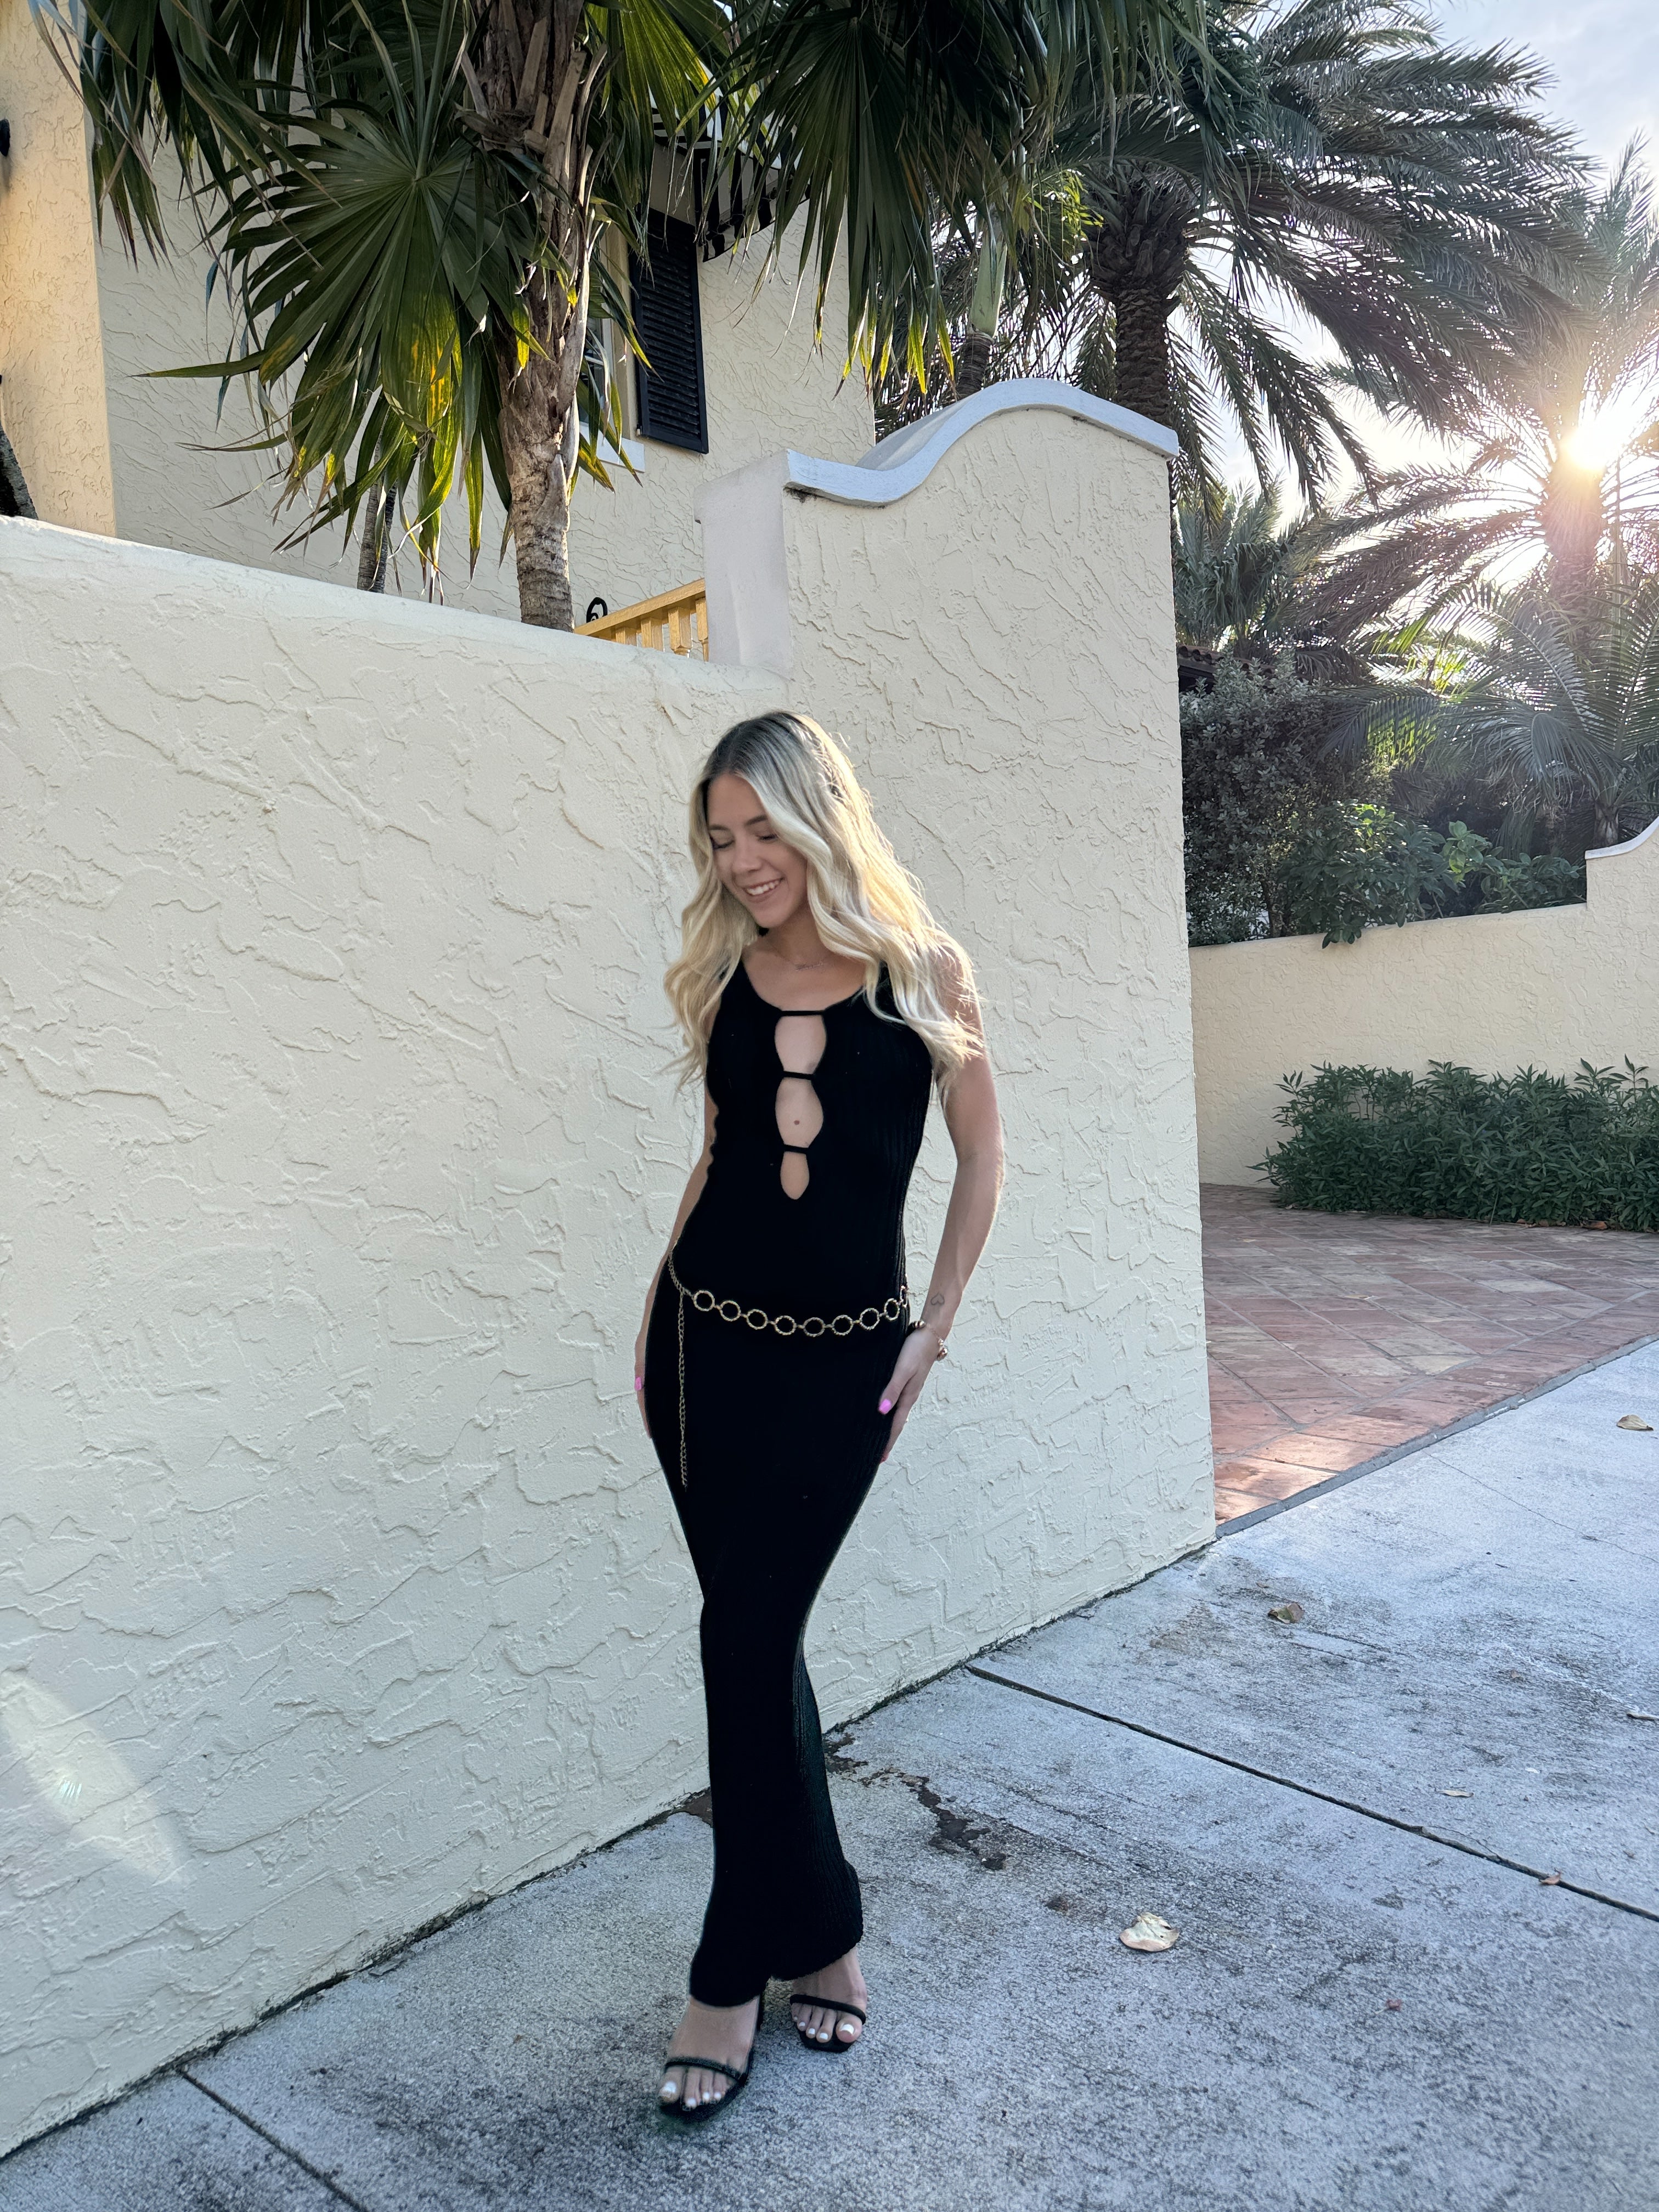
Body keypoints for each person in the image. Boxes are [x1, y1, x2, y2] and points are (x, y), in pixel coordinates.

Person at [635, 712, 1003, 2121]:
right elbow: (715, 1157)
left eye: (762, 829)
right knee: (753, 1645)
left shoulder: (923, 972)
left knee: (744, 1637)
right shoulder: (727, 974)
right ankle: (825, 1933)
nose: (743, 860)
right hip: (700, 1349)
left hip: (843, 1364)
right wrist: (650, 1315)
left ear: (818, 817)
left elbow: (982, 1159)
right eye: (721, 839)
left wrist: (935, 1328)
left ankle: (729, 1971)